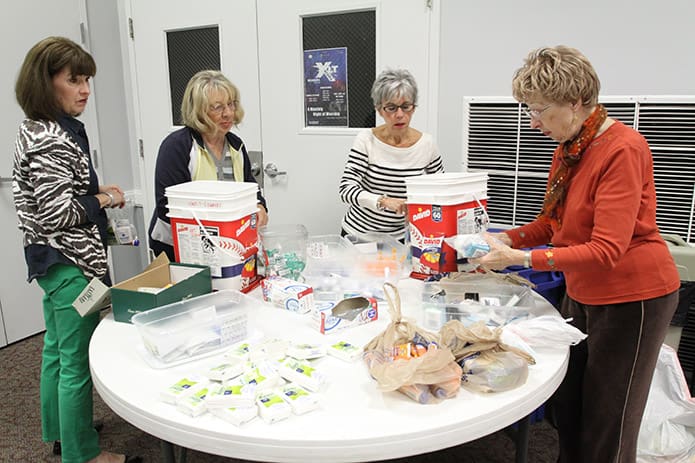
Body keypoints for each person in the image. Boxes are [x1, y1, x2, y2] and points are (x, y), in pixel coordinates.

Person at [470, 46, 680, 463]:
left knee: (609, 419)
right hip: (583, 291)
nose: (534, 123)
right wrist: (506, 239)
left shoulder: (623, 149)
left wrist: (523, 260)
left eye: (540, 111)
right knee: (569, 406)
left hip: (633, 298)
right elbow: (553, 225)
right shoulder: (569, 149)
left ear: (577, 102)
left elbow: (607, 249)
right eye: (529, 110)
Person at [13, 37, 140, 463]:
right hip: (69, 266)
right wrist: (103, 201)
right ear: (46, 84)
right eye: (74, 80)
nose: (85, 89)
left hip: (49, 263)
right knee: (75, 360)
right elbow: (57, 214)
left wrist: (92, 189)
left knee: (54, 349)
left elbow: (57, 191)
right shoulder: (51, 137)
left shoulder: (37, 127)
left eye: (87, 79)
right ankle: (82, 454)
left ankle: (60, 430)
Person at [148, 70, 268, 261]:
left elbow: (250, 190)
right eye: (218, 107)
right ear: (198, 111)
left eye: (231, 104)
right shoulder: (177, 146)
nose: (228, 113)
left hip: (228, 246)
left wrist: (260, 207)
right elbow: (167, 207)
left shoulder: (236, 145)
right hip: (182, 248)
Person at [339, 68, 444, 242]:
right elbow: (346, 189)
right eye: (391, 107)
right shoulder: (366, 140)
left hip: (402, 237)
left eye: (406, 106)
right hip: (359, 234)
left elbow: (438, 191)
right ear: (379, 109)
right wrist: (384, 201)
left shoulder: (427, 144)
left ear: (414, 107)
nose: (400, 115)